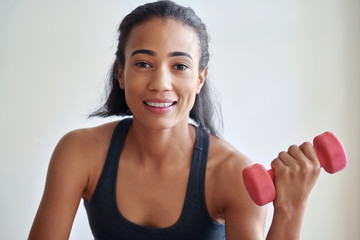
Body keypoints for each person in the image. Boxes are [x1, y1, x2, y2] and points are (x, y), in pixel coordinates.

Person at [28, 1, 321, 239]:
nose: (160, 83)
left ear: (199, 79)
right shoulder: (79, 152)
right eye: (143, 64)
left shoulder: (233, 174)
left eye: (179, 66)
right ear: (121, 73)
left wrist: (291, 209)